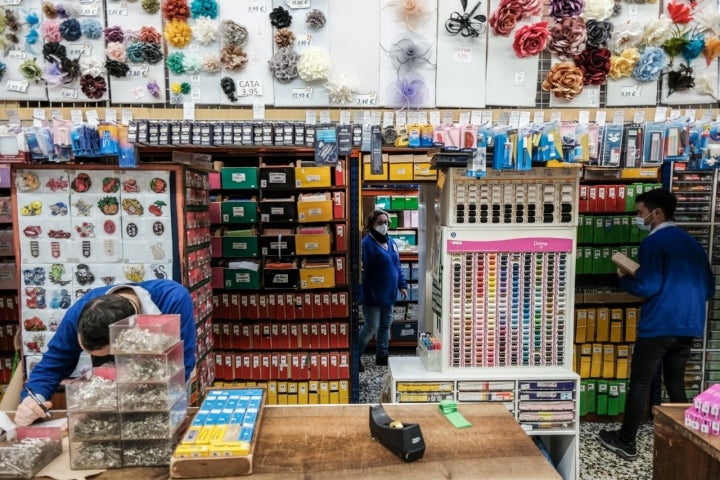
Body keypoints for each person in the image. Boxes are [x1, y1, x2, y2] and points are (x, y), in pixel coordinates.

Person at [598, 188, 715, 460]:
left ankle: (625, 441)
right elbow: (709, 288)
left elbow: (647, 286)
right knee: (675, 384)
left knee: (640, 383)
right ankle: (688, 442)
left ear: (656, 213)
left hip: (659, 323)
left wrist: (624, 277)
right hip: (689, 324)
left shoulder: (654, 242)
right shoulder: (693, 243)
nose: (640, 218)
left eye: (641, 212)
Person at [15, 279, 196, 426]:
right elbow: (51, 367)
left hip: (162, 395)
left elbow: (181, 366)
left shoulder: (173, 299)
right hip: (108, 404)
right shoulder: (79, 314)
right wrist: (32, 401)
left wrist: (139, 402)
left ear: (130, 337)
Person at [358, 209, 408, 369]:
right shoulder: (367, 244)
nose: (383, 225)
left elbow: (397, 266)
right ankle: (355, 357)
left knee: (386, 325)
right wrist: (361, 294)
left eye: (386, 222)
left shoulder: (391, 243)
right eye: (380, 222)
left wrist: (402, 285)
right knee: (371, 326)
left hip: (389, 293)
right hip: (373, 294)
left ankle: (382, 355)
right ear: (372, 223)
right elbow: (363, 272)